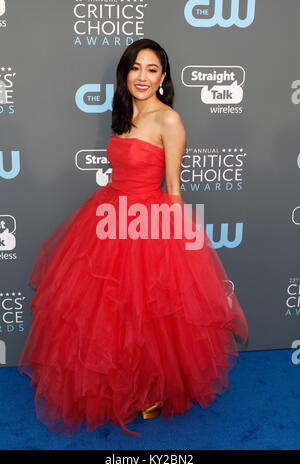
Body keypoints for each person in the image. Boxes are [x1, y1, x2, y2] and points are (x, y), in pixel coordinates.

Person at [18, 38, 248, 439]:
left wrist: (176, 244)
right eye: (136, 67)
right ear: (126, 73)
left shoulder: (168, 120)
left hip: (147, 222)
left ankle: (149, 390)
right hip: (108, 213)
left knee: (147, 313)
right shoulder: (124, 113)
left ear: (163, 77)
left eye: (152, 69)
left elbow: (174, 186)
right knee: (106, 313)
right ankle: (113, 385)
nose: (142, 76)